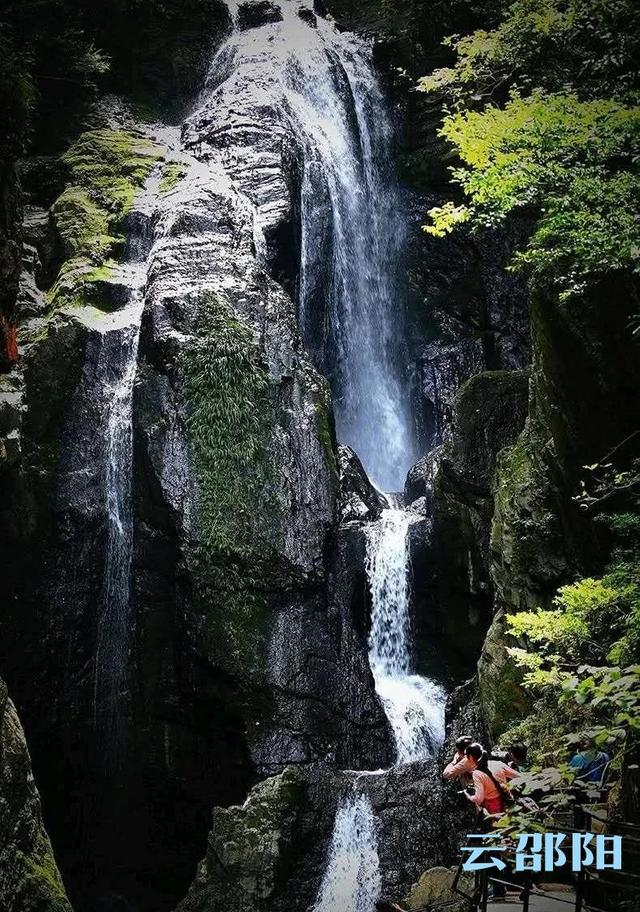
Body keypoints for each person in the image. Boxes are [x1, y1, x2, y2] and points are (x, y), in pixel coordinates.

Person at [463, 743, 520, 815]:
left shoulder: (477, 774)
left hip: (494, 808)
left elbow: (479, 799)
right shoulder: (498, 763)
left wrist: (468, 796)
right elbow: (519, 777)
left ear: (471, 757)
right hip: (508, 800)